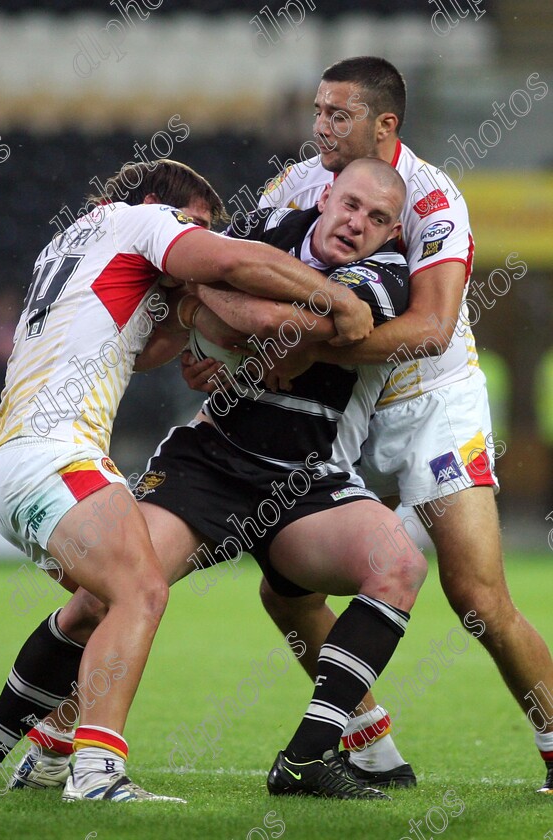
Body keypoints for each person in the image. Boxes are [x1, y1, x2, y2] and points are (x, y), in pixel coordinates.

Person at [0, 158, 423, 801]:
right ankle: (59, 759)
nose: (357, 223)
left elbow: (203, 332)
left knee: (396, 565)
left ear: (392, 230)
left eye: (377, 218)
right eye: (349, 205)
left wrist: (213, 318)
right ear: (326, 198)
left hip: (303, 475)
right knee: (120, 594)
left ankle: (308, 759)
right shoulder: (203, 226)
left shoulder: (389, 270)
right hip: (192, 458)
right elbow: (226, 286)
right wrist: (281, 305)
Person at [244, 55, 553, 793]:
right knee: (284, 591)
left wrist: (304, 342)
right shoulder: (293, 187)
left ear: (386, 125)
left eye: (338, 114)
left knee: (476, 596)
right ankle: (369, 743)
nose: (320, 125)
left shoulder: (433, 195)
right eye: (318, 110)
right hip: (342, 411)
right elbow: (240, 274)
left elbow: (433, 327)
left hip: (430, 408)